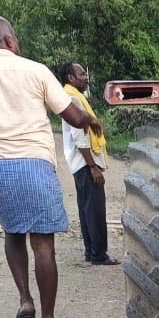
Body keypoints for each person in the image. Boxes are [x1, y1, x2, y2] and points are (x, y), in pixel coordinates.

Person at [0, 15, 101, 318]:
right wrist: (90, 120)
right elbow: (71, 115)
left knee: (13, 232)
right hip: (35, 162)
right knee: (43, 245)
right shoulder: (36, 70)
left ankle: (25, 299)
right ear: (10, 40)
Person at [57, 62, 118, 266]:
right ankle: (98, 254)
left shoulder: (69, 95)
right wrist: (93, 167)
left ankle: (91, 251)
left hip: (80, 164)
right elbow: (79, 135)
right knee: (95, 210)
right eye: (82, 74)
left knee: (87, 209)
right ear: (71, 78)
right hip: (85, 164)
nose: (86, 77)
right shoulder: (73, 98)